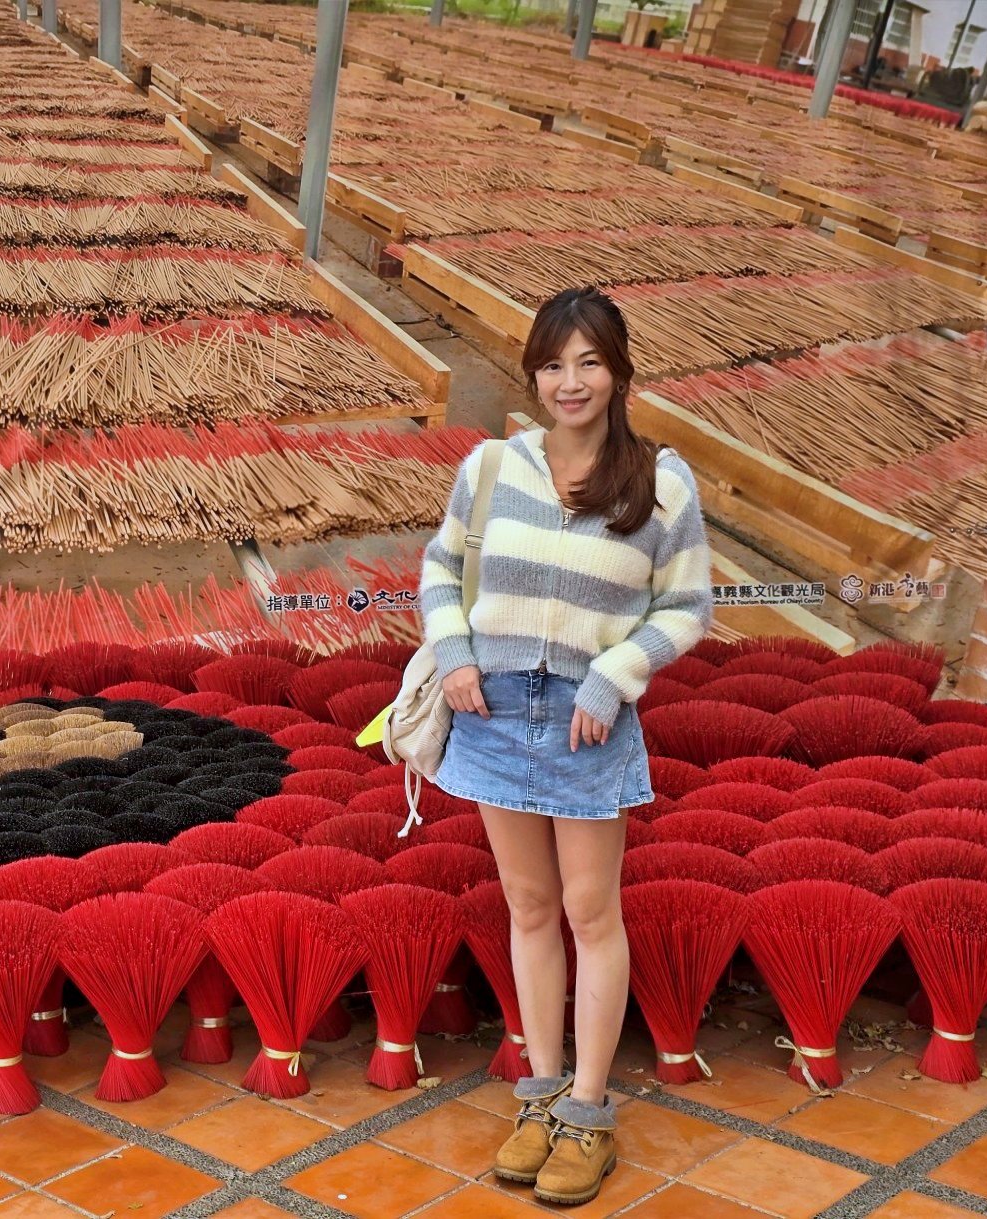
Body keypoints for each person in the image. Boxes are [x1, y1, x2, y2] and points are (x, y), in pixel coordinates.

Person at [418, 286, 713, 1206]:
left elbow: (687, 607)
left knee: (592, 913)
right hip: (494, 710)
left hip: (588, 717)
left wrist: (613, 674)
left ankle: (589, 1114)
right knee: (529, 906)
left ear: (619, 371)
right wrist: (457, 654)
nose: (569, 381)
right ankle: (539, 1096)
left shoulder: (661, 481)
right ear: (535, 374)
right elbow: (438, 569)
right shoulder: (493, 467)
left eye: (589, 362)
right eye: (553, 363)